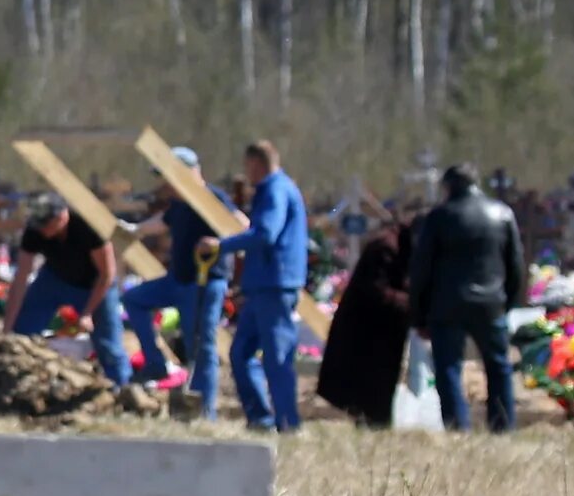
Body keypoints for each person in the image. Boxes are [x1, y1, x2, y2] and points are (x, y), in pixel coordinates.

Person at [408, 163, 526, 433]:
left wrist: (419, 313)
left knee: (449, 368)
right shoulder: (502, 213)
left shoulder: (439, 217)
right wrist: (507, 302)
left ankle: (457, 427)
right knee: (498, 368)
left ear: (448, 186)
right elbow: (516, 263)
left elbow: (422, 268)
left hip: (447, 304)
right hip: (491, 303)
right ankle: (503, 426)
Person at [119, 145, 225, 419]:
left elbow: (240, 224)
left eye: (168, 175)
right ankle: (155, 363)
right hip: (177, 280)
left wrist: (220, 244)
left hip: (203, 284)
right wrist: (135, 229)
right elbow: (162, 222)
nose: (165, 183)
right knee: (134, 299)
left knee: (199, 346)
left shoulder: (211, 198)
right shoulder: (179, 203)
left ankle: (205, 412)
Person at [219, 139, 309, 432]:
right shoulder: (275, 189)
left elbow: (266, 233)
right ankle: (260, 417)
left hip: (275, 284)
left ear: (257, 163)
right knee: (240, 353)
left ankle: (288, 422)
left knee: (277, 357)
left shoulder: (275, 190)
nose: (247, 174)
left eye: (248, 167)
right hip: (263, 285)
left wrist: (222, 246)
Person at [4, 196, 128, 385]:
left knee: (109, 344)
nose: (42, 231)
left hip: (95, 286)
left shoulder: (88, 226)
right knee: (23, 332)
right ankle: (15, 380)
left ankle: (121, 388)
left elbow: (106, 274)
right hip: (54, 279)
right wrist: (7, 329)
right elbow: (21, 278)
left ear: (62, 216)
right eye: (39, 225)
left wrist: (87, 313)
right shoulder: (35, 231)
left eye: (46, 225)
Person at [313, 211, 414, 426]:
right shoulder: (385, 247)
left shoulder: (399, 245)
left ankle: (375, 421)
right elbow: (377, 290)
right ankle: (372, 422)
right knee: (367, 387)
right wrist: (413, 303)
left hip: (383, 327)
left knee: (376, 386)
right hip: (366, 328)